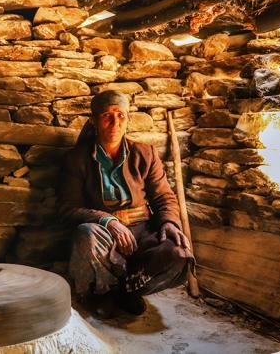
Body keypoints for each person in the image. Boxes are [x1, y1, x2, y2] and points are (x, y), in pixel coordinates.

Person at [59, 89, 195, 317]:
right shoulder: (77, 159)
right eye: (106, 115)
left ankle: (127, 291)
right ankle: (102, 294)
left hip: (143, 230)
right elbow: (67, 209)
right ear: (94, 121)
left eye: (121, 115)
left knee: (178, 251)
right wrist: (107, 220)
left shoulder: (145, 154)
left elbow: (164, 197)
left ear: (128, 119)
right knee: (86, 234)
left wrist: (169, 223)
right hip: (105, 232)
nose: (114, 122)